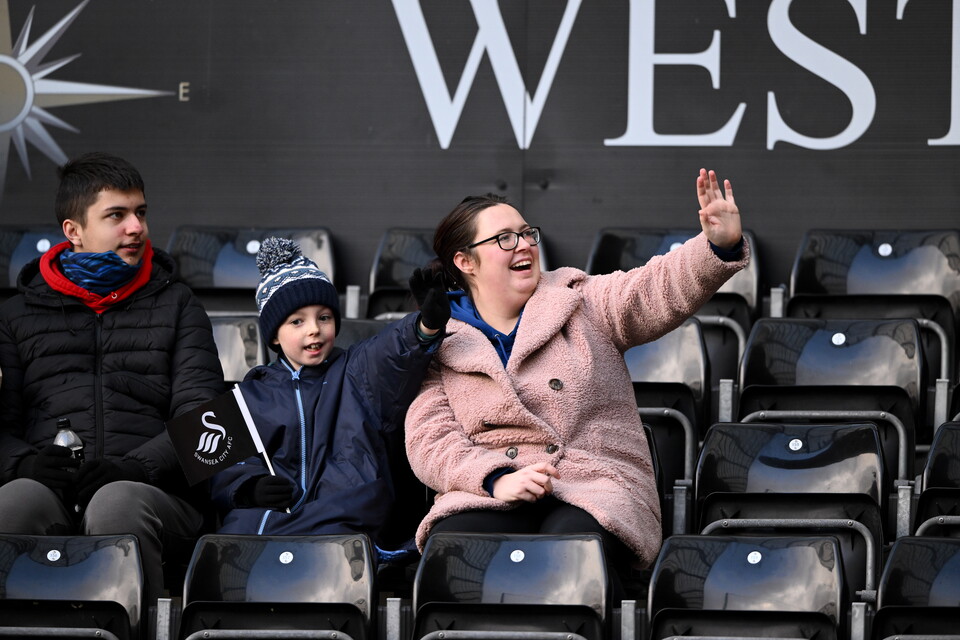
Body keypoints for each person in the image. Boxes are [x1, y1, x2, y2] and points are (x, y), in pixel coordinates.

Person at [405, 168, 749, 584]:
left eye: (527, 233)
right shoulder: (435, 338)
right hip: (489, 490)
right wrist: (495, 479)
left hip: (591, 482)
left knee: (572, 555)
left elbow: (652, 288)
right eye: (504, 238)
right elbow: (430, 439)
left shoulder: (580, 300)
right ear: (465, 261)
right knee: (454, 553)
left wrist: (717, 245)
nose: (525, 245)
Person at [0, 152, 226, 606]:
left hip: (156, 493)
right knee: (15, 499)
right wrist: (23, 464)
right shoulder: (14, 315)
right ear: (74, 231)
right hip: (52, 492)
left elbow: (208, 421)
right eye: (117, 215)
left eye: (140, 212)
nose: (136, 228)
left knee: (116, 501)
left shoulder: (179, 304)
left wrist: (135, 468)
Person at [209, 237, 449, 552]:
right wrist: (249, 487)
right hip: (278, 514)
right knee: (235, 531)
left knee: (340, 530)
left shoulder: (356, 369)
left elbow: (392, 352)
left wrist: (425, 326)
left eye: (324, 317)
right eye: (297, 321)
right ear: (274, 337)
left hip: (341, 509)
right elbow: (220, 463)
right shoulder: (250, 392)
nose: (314, 329)